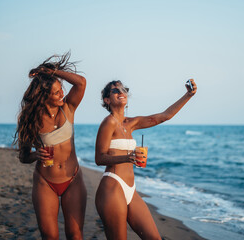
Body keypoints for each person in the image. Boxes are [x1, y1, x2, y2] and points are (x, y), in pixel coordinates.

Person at [95, 79, 197, 239]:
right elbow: (99, 158)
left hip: (131, 189)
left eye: (123, 89)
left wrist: (188, 95)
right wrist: (127, 157)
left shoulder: (131, 123)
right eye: (115, 91)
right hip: (112, 188)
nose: (121, 92)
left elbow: (164, 116)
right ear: (107, 100)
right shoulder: (108, 123)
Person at [13, 53, 87, 240]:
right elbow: (23, 157)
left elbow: (81, 83)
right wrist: (35, 156)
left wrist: (52, 71)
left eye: (61, 89)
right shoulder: (30, 120)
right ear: (43, 96)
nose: (62, 93)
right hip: (45, 182)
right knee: (50, 236)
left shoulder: (68, 107)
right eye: (56, 92)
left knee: (75, 234)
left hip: (73, 180)